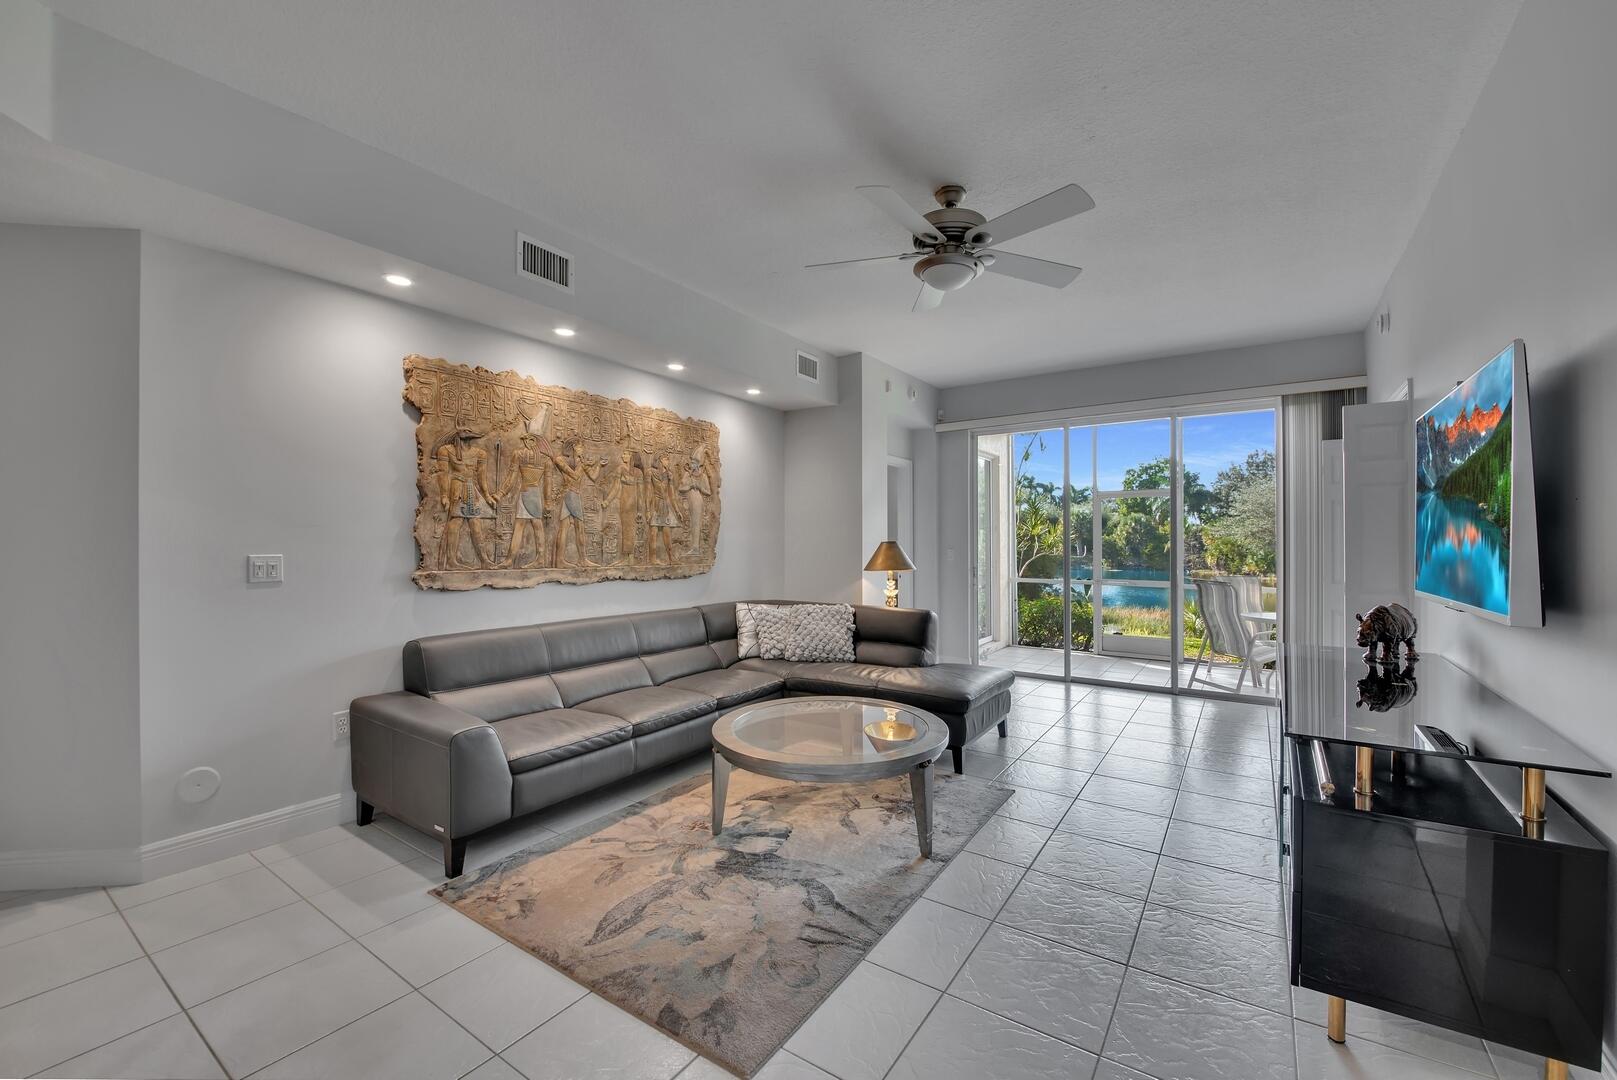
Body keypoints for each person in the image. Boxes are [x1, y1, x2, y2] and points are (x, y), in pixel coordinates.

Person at [435, 428, 497, 570]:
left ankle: (484, 560)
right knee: (455, 523)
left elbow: (482, 478)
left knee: (476, 525)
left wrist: (487, 495)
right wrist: (444, 495)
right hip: (457, 489)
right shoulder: (446, 450)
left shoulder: (480, 454)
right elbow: (443, 474)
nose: (466, 441)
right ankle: (451, 561)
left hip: (471, 489)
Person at [501, 420, 552, 569]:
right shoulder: (521, 455)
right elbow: (512, 477)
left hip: (531, 494)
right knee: (525, 525)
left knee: (533, 524)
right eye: (525, 440)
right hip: (528, 494)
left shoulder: (544, 460)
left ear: (535, 441)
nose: (526, 442)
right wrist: (501, 493)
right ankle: (511, 559)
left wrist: (548, 502)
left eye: (530, 439)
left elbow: (548, 484)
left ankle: (537, 558)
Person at [550, 441, 605, 567]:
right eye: (580, 447)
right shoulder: (561, 460)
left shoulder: (581, 463)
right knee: (579, 528)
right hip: (571, 494)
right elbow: (574, 475)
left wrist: (599, 466)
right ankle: (581, 559)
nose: (582, 450)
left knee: (564, 527)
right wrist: (584, 465)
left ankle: (560, 560)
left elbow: (594, 477)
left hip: (573, 495)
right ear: (574, 447)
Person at [646, 452, 681, 565]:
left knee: (667, 534)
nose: (668, 462)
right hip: (655, 504)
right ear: (661, 460)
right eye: (666, 459)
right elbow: (648, 492)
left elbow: (672, 495)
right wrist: (647, 510)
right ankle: (653, 558)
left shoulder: (669, 475)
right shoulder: (650, 472)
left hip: (665, 506)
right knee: (653, 533)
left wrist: (677, 510)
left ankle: (671, 558)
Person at [611, 449, 644, 565]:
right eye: (623, 453)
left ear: (631, 456)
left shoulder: (638, 472)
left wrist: (640, 510)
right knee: (625, 529)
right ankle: (627, 557)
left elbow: (640, 493)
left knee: (630, 529)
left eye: (625, 454)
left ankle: (629, 558)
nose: (623, 455)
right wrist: (607, 501)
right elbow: (615, 488)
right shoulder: (620, 469)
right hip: (624, 502)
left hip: (633, 503)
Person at [678, 449, 712, 557]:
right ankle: (690, 546)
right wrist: (689, 486)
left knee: (696, 523)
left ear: (698, 464)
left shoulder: (703, 476)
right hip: (688, 502)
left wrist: (699, 487)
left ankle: (696, 548)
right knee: (689, 524)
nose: (692, 464)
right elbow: (681, 488)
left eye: (693, 463)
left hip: (697, 501)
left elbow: (708, 491)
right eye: (691, 462)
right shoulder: (687, 475)